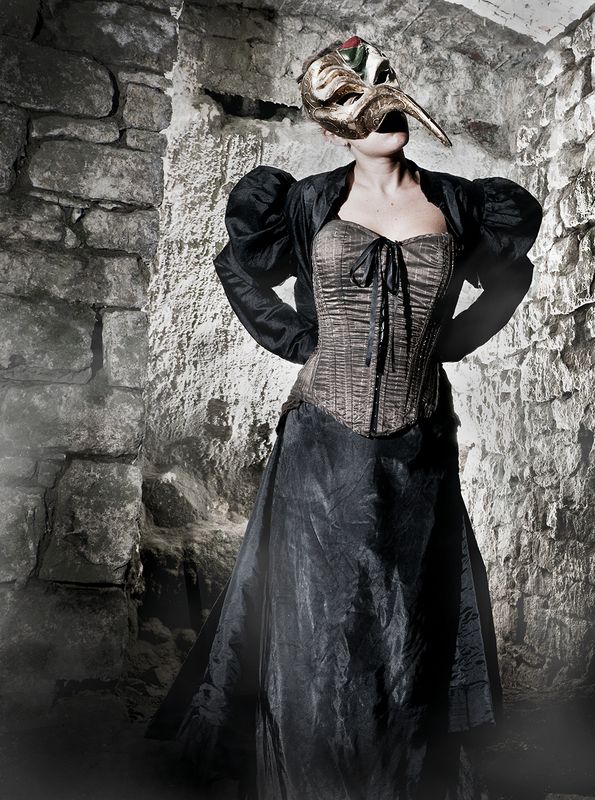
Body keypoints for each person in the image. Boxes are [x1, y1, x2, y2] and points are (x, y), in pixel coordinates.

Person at [143, 35, 543, 800]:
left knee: (406, 632)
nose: (381, 109)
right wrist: (301, 341)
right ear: (330, 128)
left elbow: (508, 280)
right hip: (322, 453)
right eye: (353, 102)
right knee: (321, 638)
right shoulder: (304, 203)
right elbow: (238, 268)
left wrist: (445, 346)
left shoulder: (459, 203)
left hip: (418, 451)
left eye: (385, 86)